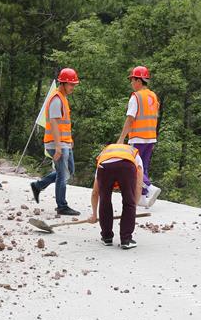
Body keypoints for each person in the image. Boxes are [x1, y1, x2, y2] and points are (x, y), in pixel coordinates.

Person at [30, 68, 80, 216]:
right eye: (71, 84)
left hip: (64, 142)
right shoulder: (56, 99)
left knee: (68, 171)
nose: (73, 87)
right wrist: (58, 146)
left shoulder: (63, 98)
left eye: (74, 84)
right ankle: (62, 206)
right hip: (56, 143)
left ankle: (38, 186)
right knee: (62, 174)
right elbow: (53, 123)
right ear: (62, 83)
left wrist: (69, 141)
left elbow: (63, 124)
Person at [117, 65, 161, 207]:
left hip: (138, 138)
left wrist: (121, 138)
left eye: (132, 80)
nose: (131, 83)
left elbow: (130, 119)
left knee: (135, 167)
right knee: (144, 167)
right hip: (150, 137)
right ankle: (141, 199)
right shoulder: (153, 96)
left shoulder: (136, 97)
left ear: (138, 80)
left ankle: (149, 187)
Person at [88, 143, 143, 249]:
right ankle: (126, 240)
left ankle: (106, 237)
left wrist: (94, 214)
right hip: (126, 166)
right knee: (128, 202)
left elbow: (95, 193)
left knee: (105, 200)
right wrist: (132, 208)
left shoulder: (102, 157)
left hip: (105, 167)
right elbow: (139, 186)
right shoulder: (135, 155)